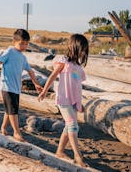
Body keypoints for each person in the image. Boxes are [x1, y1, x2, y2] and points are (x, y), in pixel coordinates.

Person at [37, 33, 89, 167]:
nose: (83, 52)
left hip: (73, 101)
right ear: (74, 47)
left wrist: (80, 102)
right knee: (73, 126)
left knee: (68, 126)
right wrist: (44, 91)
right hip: (63, 100)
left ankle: (60, 151)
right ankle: (78, 156)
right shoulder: (64, 61)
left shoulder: (79, 68)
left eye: (85, 49)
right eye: (82, 48)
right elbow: (53, 76)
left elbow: (77, 87)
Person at [0, 29, 42, 142]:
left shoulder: (23, 57)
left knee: (10, 110)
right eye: (21, 43)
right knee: (13, 111)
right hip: (7, 86)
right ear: (14, 42)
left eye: (26, 44)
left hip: (16, 88)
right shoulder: (9, 52)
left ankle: (4, 127)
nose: (24, 46)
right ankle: (16, 132)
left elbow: (30, 71)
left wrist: (36, 83)